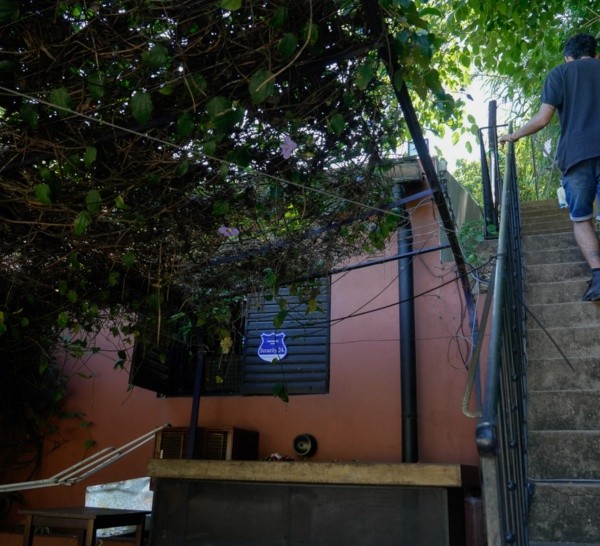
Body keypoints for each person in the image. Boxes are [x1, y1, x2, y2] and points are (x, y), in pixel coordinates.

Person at [499, 33, 600, 301]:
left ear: (568, 57)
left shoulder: (560, 73)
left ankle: (599, 277)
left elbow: (543, 119)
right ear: (596, 53)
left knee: (581, 219)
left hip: (576, 155)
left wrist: (514, 135)